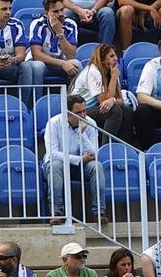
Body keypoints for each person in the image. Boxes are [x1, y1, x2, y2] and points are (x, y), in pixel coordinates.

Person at [43, 93, 105, 224]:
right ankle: (56, 212)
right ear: (67, 113)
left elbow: (94, 153)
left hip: (81, 166)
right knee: (55, 165)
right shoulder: (53, 123)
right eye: (78, 112)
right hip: (58, 165)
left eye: (84, 111)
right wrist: (78, 159)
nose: (83, 116)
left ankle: (99, 212)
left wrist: (81, 134)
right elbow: (53, 153)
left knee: (97, 166)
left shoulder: (90, 123)